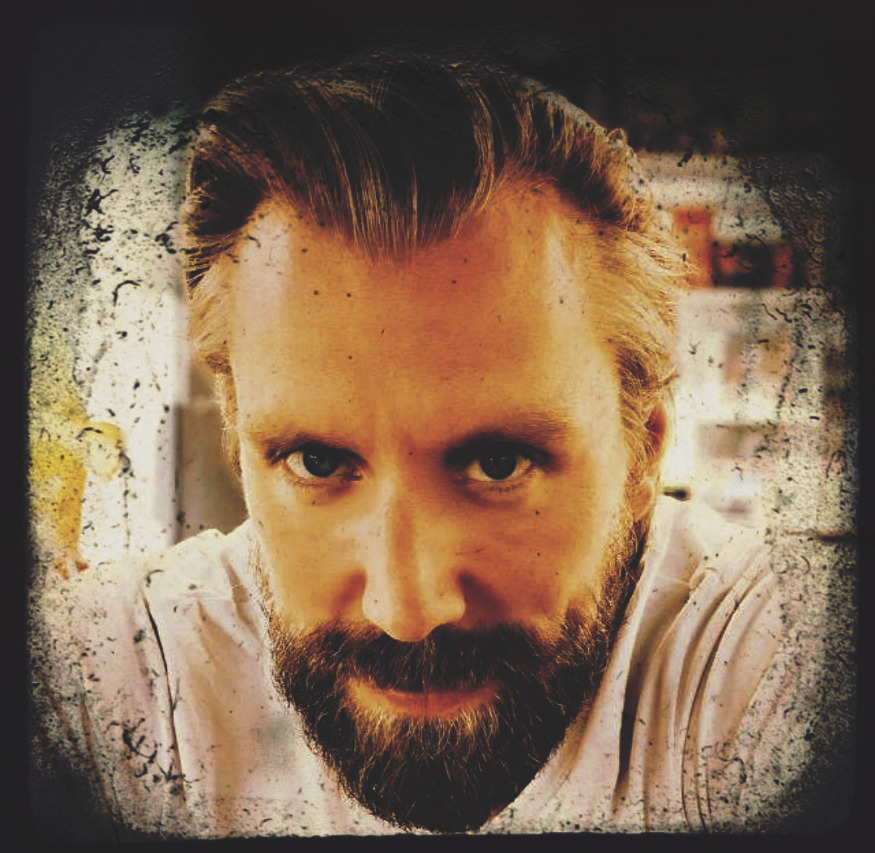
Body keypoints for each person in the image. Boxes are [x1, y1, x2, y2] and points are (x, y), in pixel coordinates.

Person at [30, 54, 800, 839]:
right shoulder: (114, 674)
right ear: (240, 446)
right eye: (317, 463)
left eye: (498, 463)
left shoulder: (779, 662)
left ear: (641, 456)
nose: (405, 609)